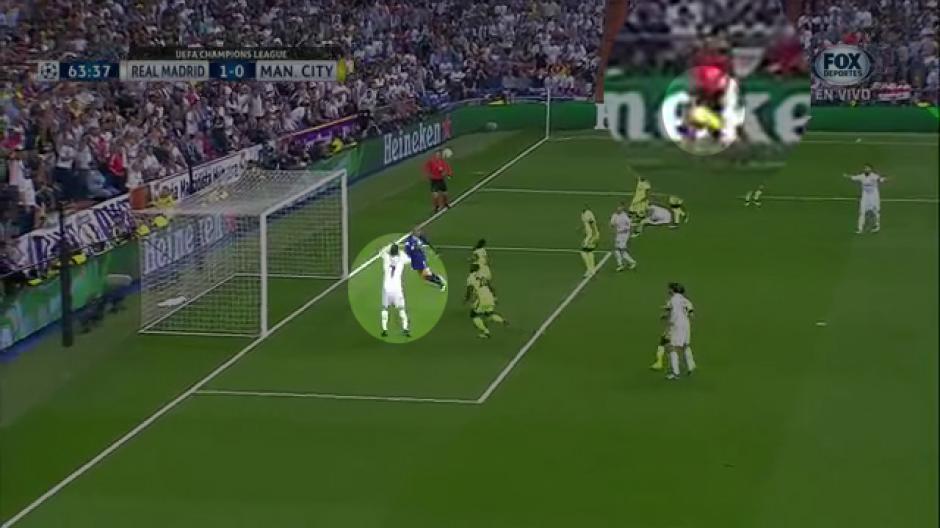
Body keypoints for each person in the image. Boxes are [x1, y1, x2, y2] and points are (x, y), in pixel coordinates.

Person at [465, 263, 507, 338]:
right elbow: (490, 286)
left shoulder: (470, 277)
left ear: (472, 269)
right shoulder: (482, 275)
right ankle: (502, 320)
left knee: (474, 315)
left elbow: (470, 289)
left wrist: (467, 298)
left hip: (481, 297)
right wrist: (494, 297)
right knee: (489, 313)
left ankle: (486, 332)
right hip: (489, 294)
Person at [663, 282, 695, 380]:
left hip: (677, 325)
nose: (668, 290)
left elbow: (673, 313)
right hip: (686, 324)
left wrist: (669, 325)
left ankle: (675, 373)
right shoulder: (685, 300)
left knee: (671, 348)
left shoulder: (673, 300)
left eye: (670, 289)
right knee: (685, 345)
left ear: (673, 290)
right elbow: (691, 313)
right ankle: (691, 365)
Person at [379, 243, 411, 338]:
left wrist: (388, 246)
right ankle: (405, 329)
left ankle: (384, 330)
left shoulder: (386, 258)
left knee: (385, 308)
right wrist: (401, 251)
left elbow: (381, 251)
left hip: (387, 288)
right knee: (401, 309)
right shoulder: (402, 259)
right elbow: (409, 259)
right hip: (397, 288)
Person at [845, 164, 887, 233]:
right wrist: (846, 175)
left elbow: (880, 179)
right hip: (865, 196)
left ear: (871, 170)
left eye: (868, 169)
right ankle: (860, 228)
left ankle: (876, 226)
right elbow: (853, 177)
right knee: (862, 211)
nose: (866, 170)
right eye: (865, 168)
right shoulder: (862, 176)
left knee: (876, 211)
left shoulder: (874, 176)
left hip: (874, 196)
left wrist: (885, 179)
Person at [609, 203, 637, 272]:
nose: (618, 209)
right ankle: (627, 263)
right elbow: (612, 224)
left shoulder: (625, 217)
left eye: (620, 208)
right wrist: (613, 229)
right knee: (618, 250)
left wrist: (628, 235)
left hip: (624, 235)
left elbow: (629, 227)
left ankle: (622, 264)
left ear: (622, 209)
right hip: (618, 235)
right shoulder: (614, 215)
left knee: (620, 250)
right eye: (618, 208)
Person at [423, 149, 453, 214]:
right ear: (435, 154)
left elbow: (447, 168)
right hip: (434, 181)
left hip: (441, 180)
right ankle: (436, 207)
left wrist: (448, 174)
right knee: (435, 195)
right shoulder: (431, 161)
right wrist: (428, 174)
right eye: (437, 154)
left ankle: (446, 204)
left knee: (445, 194)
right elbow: (426, 167)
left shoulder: (442, 162)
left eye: (439, 154)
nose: (438, 155)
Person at [580, 205, 600, 277]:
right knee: (589, 251)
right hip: (589, 234)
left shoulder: (588, 213)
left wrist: (595, 234)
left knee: (583, 252)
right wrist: (582, 229)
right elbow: (586, 224)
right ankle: (592, 269)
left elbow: (592, 224)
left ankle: (589, 270)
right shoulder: (583, 214)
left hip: (591, 235)